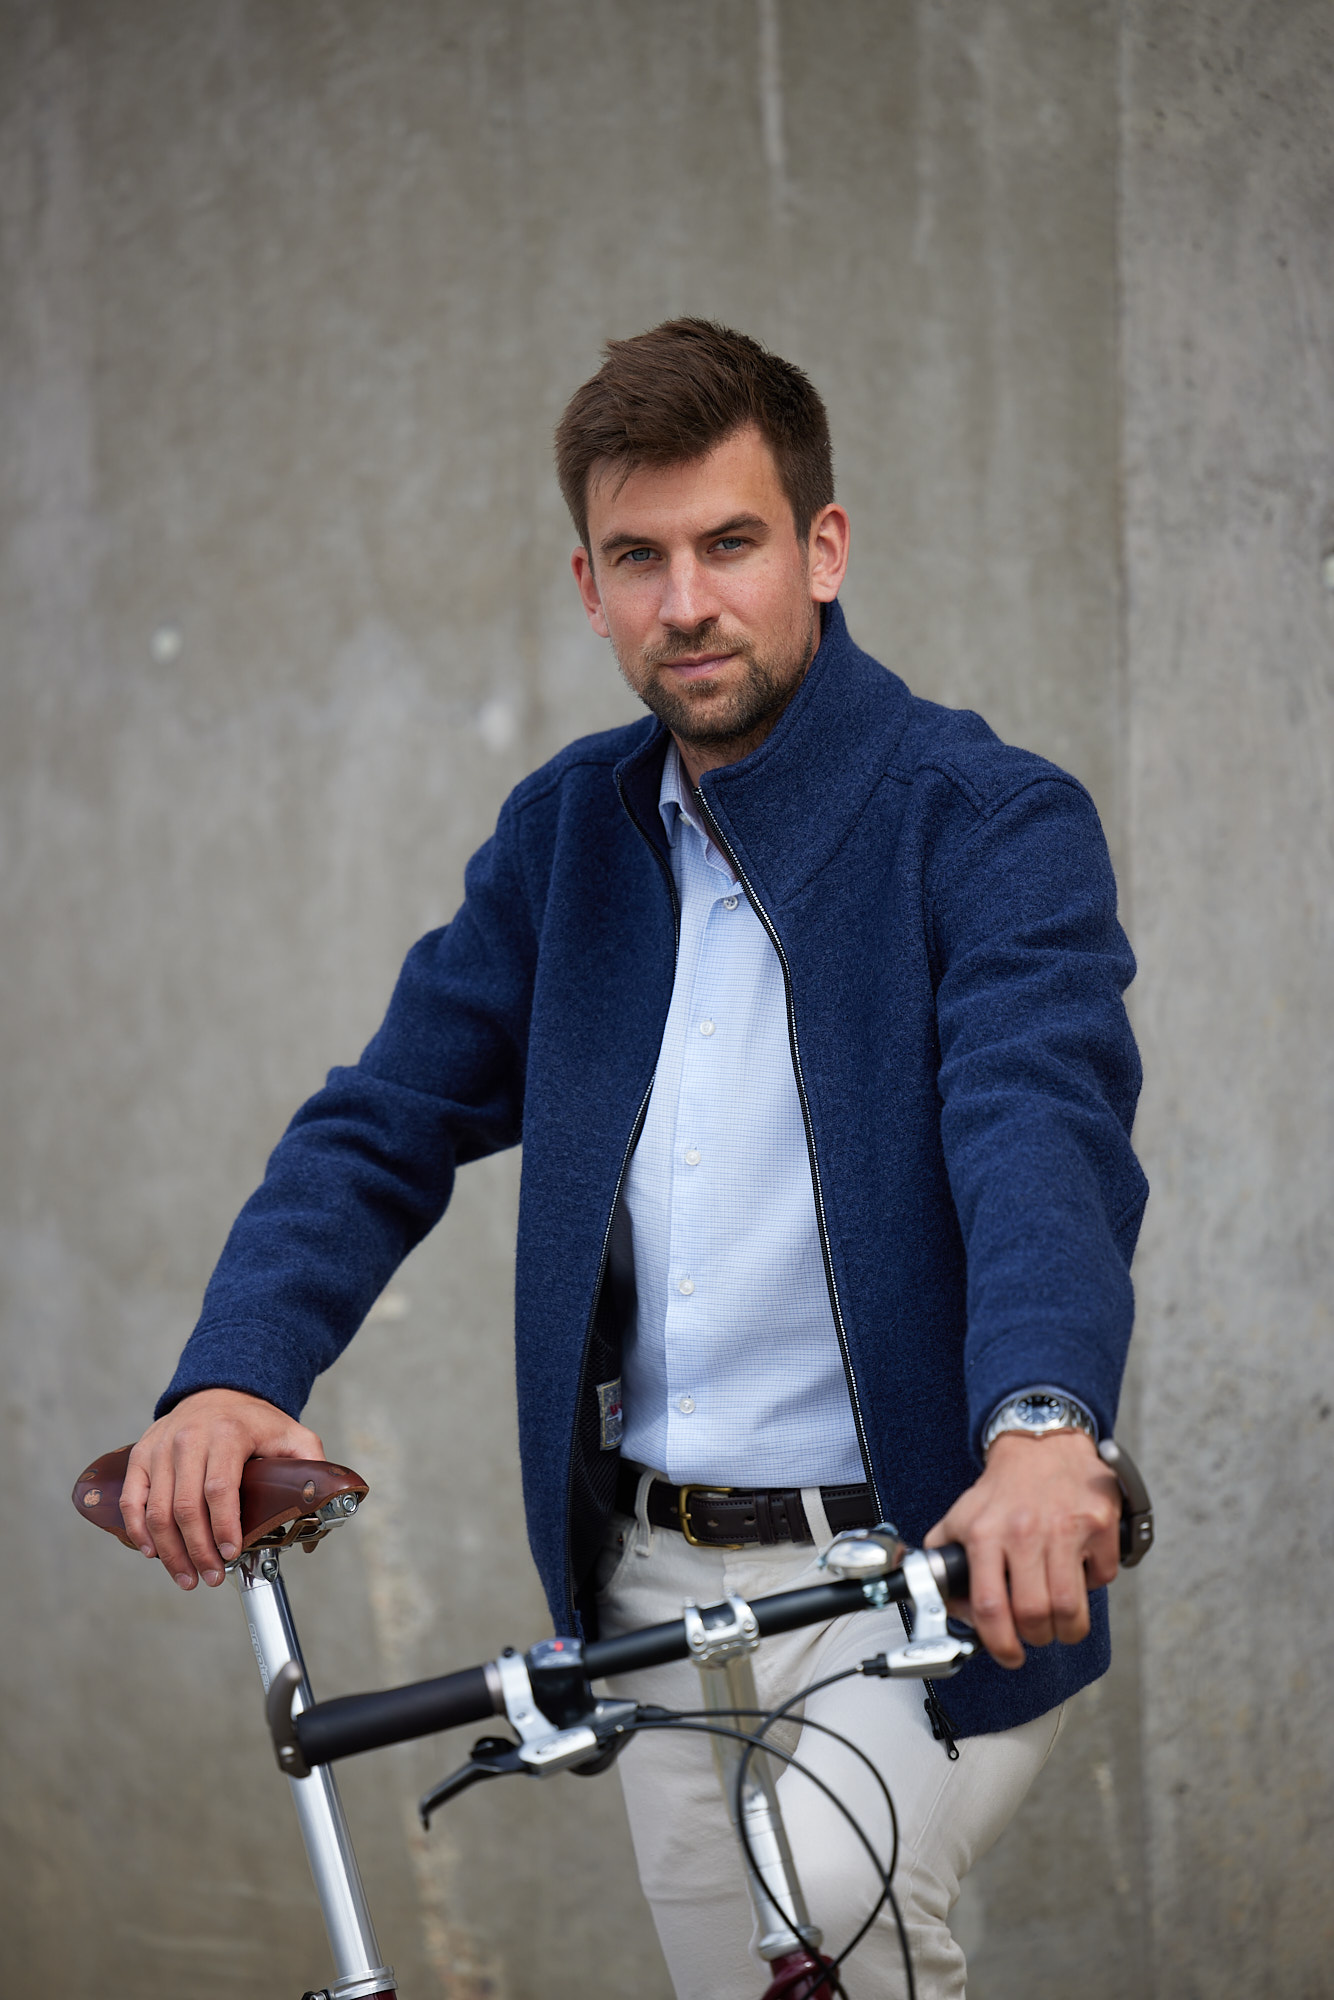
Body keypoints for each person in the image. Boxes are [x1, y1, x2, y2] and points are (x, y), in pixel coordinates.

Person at [121, 319, 1146, 1998]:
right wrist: (237, 1370)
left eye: (730, 543)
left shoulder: (980, 819)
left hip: (918, 1564)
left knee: (824, 1897)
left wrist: (1043, 1425)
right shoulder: (566, 839)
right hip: (650, 1584)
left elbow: (1038, 1124)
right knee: (730, 1979)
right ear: (586, 587)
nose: (686, 602)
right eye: (638, 558)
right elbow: (385, 1117)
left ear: (822, 548)